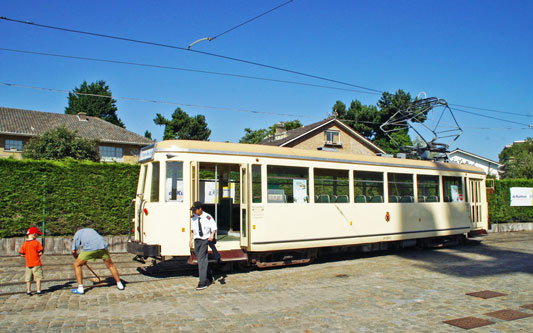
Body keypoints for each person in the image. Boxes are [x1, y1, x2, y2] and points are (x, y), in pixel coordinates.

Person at [71, 227, 124, 294]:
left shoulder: (78, 233)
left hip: (90, 247)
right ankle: (119, 284)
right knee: (110, 265)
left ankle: (80, 288)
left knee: (76, 265)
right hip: (103, 246)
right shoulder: (91, 230)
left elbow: (73, 251)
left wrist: (77, 258)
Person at [189, 201, 218, 290]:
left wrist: (212, 235)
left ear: (200, 209)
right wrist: (191, 240)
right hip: (197, 240)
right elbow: (193, 230)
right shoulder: (193, 217)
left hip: (205, 239)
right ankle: (209, 275)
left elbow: (214, 227)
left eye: (195, 210)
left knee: (201, 259)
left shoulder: (207, 217)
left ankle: (203, 282)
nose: (193, 212)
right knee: (201, 259)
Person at [19, 227, 44, 296]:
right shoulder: (36, 243)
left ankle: (28, 291)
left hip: (28, 263)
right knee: (38, 278)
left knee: (28, 279)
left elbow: (21, 254)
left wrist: (27, 256)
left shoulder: (24, 243)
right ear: (34, 234)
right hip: (36, 263)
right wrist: (37, 256)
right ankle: (38, 290)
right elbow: (40, 252)